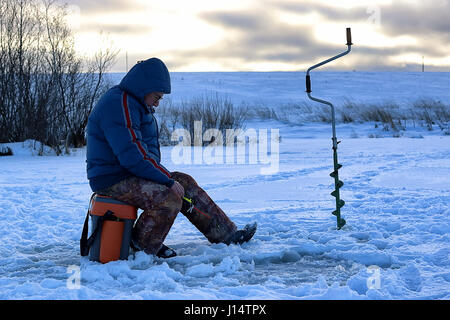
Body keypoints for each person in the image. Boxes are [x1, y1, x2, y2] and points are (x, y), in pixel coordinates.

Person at [86, 57, 256, 258]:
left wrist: (168, 179)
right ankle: (140, 247)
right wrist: (166, 180)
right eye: (156, 97)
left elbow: (140, 155)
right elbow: (132, 155)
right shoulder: (119, 104)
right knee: (168, 197)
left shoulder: (136, 104)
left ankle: (226, 234)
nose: (157, 103)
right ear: (143, 88)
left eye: (160, 99)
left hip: (129, 173)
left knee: (184, 182)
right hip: (112, 178)